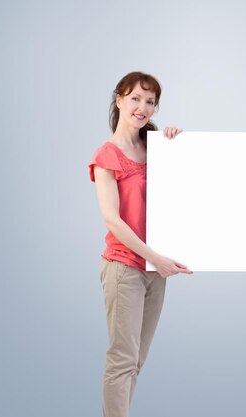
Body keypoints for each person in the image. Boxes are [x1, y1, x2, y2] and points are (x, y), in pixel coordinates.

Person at [89, 71, 192, 417]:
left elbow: (185, 191)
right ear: (119, 100)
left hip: (155, 270)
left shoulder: (156, 147)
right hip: (124, 267)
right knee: (121, 360)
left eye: (150, 101)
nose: (143, 107)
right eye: (135, 98)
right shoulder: (107, 155)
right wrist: (156, 259)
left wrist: (177, 145)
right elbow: (113, 220)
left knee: (137, 361)